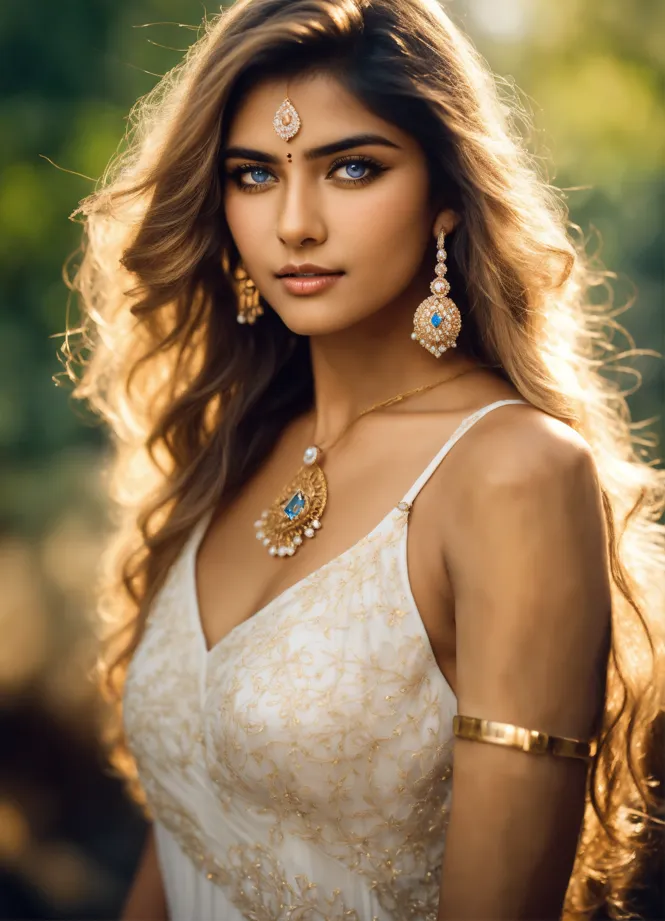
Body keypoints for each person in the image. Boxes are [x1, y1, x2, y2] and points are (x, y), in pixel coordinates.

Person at [65, 0, 664, 918]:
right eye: (254, 175)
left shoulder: (511, 474)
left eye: (352, 168)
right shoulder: (240, 444)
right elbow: (187, 836)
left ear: (445, 198)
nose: (295, 223)